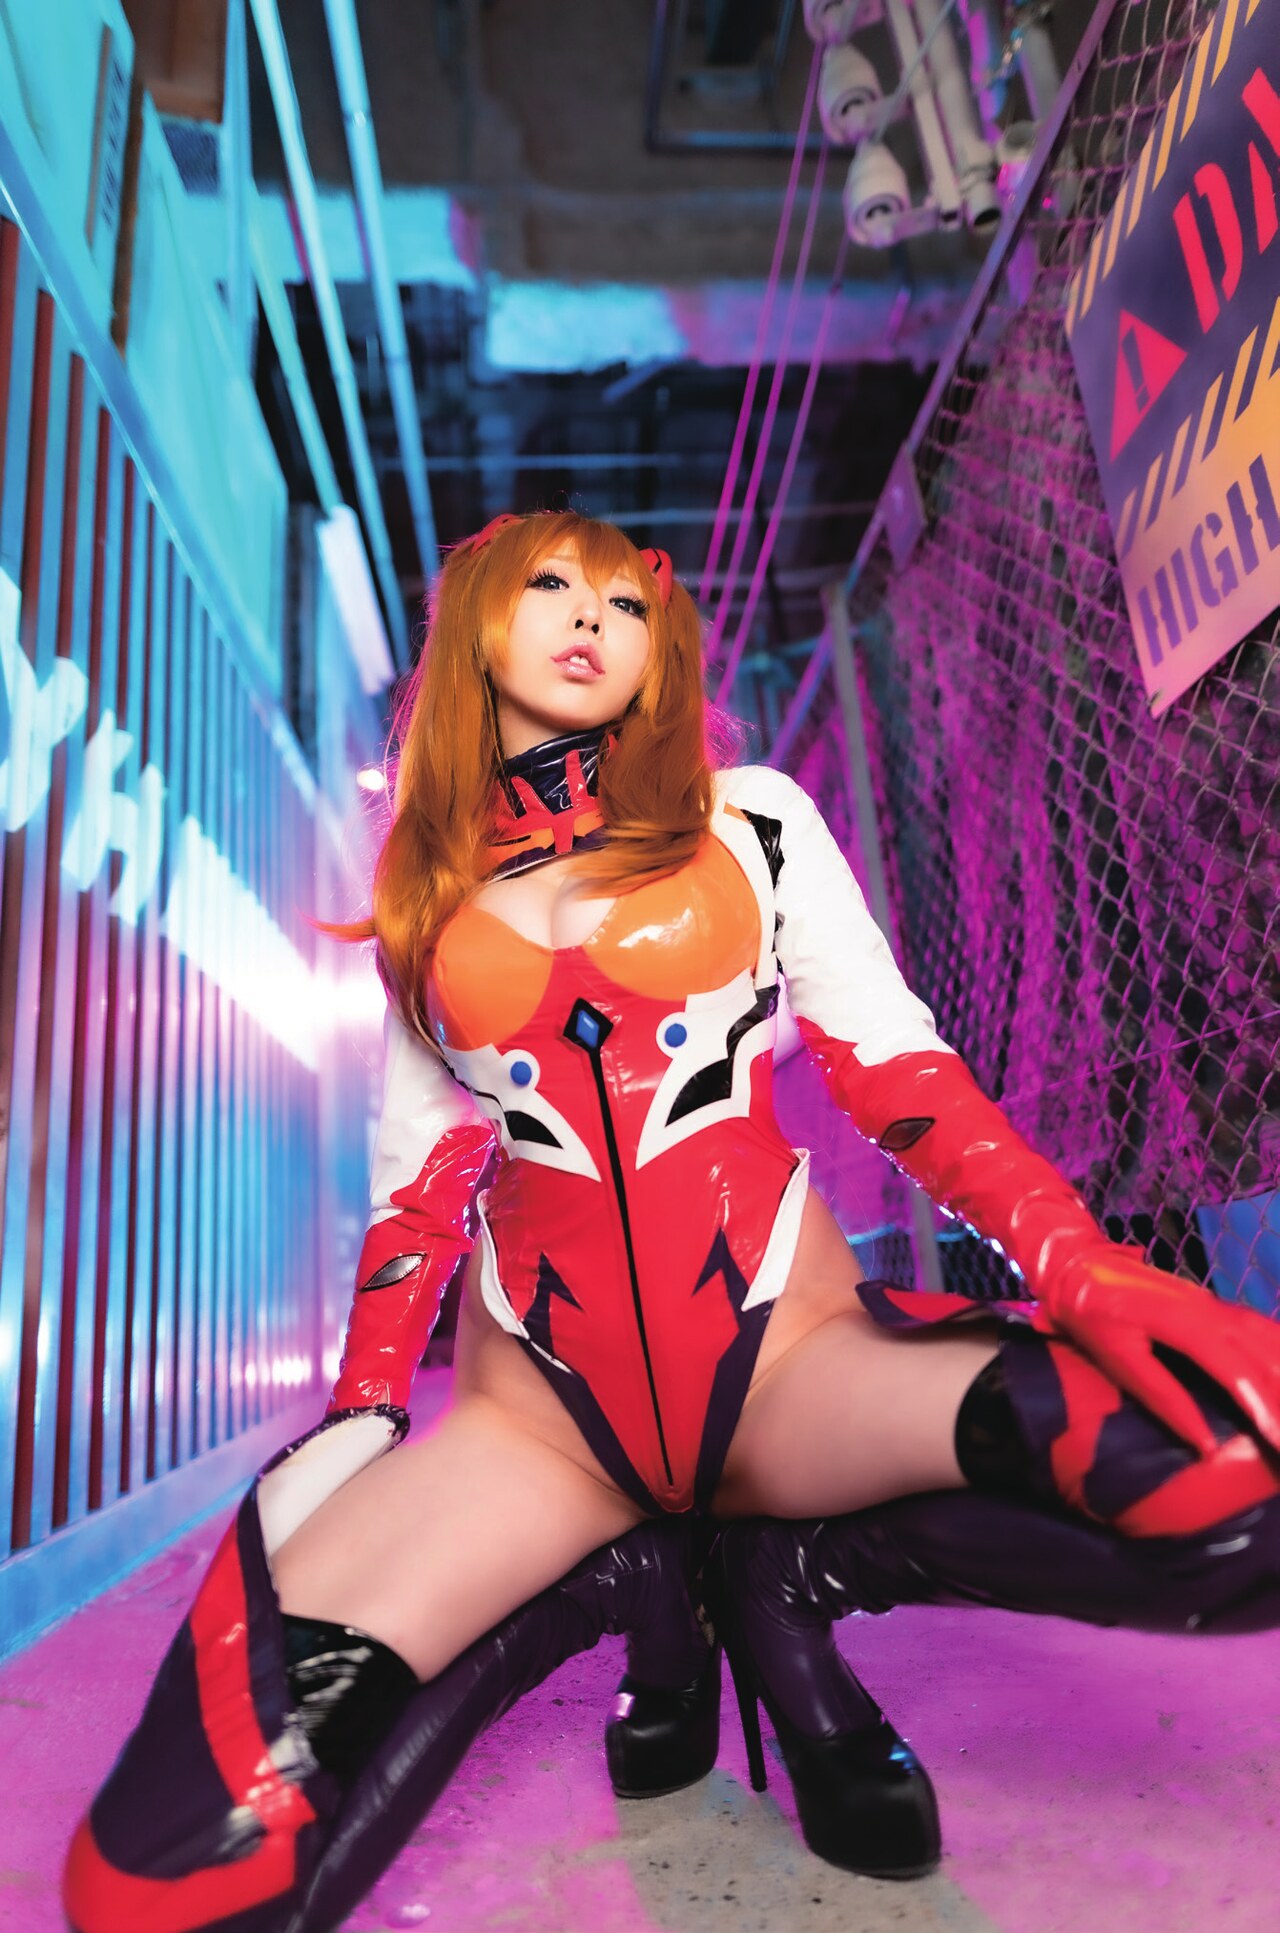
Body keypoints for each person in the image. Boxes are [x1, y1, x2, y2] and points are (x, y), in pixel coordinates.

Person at [64, 511, 1280, 1931]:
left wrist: (1077, 1263)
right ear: (476, 629)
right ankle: (623, 1581)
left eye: (626, 601)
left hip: (792, 1369)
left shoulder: (750, 817)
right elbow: (419, 1187)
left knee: (1240, 1473)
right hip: (544, 1427)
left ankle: (789, 1576)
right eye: (550, 586)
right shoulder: (425, 900)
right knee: (161, 1877)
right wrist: (361, 1417)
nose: (593, 616)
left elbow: (902, 1075)